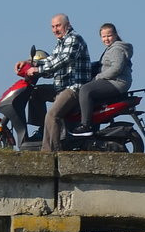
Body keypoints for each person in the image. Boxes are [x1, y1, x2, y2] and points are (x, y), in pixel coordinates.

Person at [15, 13, 91, 152]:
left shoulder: (74, 39)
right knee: (36, 93)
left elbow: (62, 61)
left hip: (74, 88)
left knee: (52, 115)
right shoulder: (60, 42)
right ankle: (43, 129)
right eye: (52, 27)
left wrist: (37, 69)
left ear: (67, 25)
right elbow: (51, 62)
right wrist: (28, 63)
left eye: (58, 26)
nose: (55, 29)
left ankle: (51, 152)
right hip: (60, 87)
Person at [71, 23, 133, 137]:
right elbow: (102, 65)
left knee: (86, 90)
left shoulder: (117, 49)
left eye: (109, 35)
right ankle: (93, 126)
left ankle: (85, 125)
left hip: (117, 82)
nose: (106, 39)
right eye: (103, 36)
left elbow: (116, 68)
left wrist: (98, 77)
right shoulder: (111, 49)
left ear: (115, 35)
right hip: (114, 80)